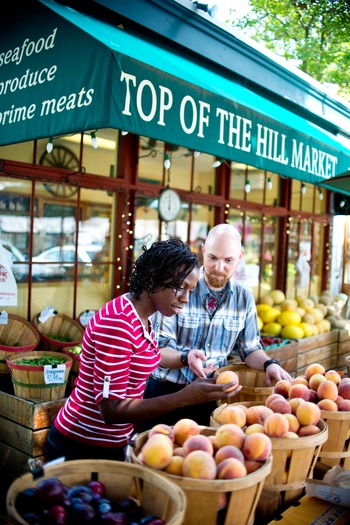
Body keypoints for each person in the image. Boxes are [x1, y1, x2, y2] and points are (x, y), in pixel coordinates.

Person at [47, 239, 241, 461]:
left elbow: (143, 356)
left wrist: (186, 358)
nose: (185, 299)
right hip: (81, 445)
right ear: (152, 277)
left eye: (191, 290)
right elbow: (112, 410)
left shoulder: (144, 314)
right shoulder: (118, 323)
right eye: (180, 287)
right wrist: (184, 398)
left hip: (112, 442)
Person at [143, 224, 292, 428]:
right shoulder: (178, 288)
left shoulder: (243, 298)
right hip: (167, 392)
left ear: (240, 256)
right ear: (203, 250)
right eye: (213, 258)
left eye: (228, 260)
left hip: (211, 396)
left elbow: (249, 349)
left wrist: (269, 364)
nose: (219, 268)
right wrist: (186, 358)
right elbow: (159, 351)